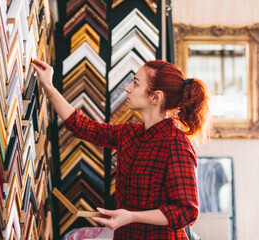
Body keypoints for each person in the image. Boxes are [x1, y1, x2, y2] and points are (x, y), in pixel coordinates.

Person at [31, 59, 210, 240]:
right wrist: (48, 86)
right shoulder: (131, 133)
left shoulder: (176, 145)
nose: (127, 88)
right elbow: (82, 126)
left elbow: (186, 212)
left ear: (155, 97)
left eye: (136, 83)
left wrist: (132, 216)